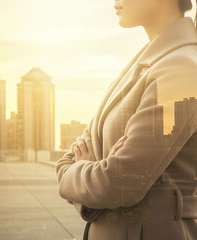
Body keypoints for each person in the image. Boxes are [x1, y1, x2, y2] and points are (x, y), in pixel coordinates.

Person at [55, 0, 197, 239]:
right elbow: (68, 160)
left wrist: (79, 173)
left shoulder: (180, 68)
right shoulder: (147, 63)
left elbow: (119, 184)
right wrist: (90, 177)